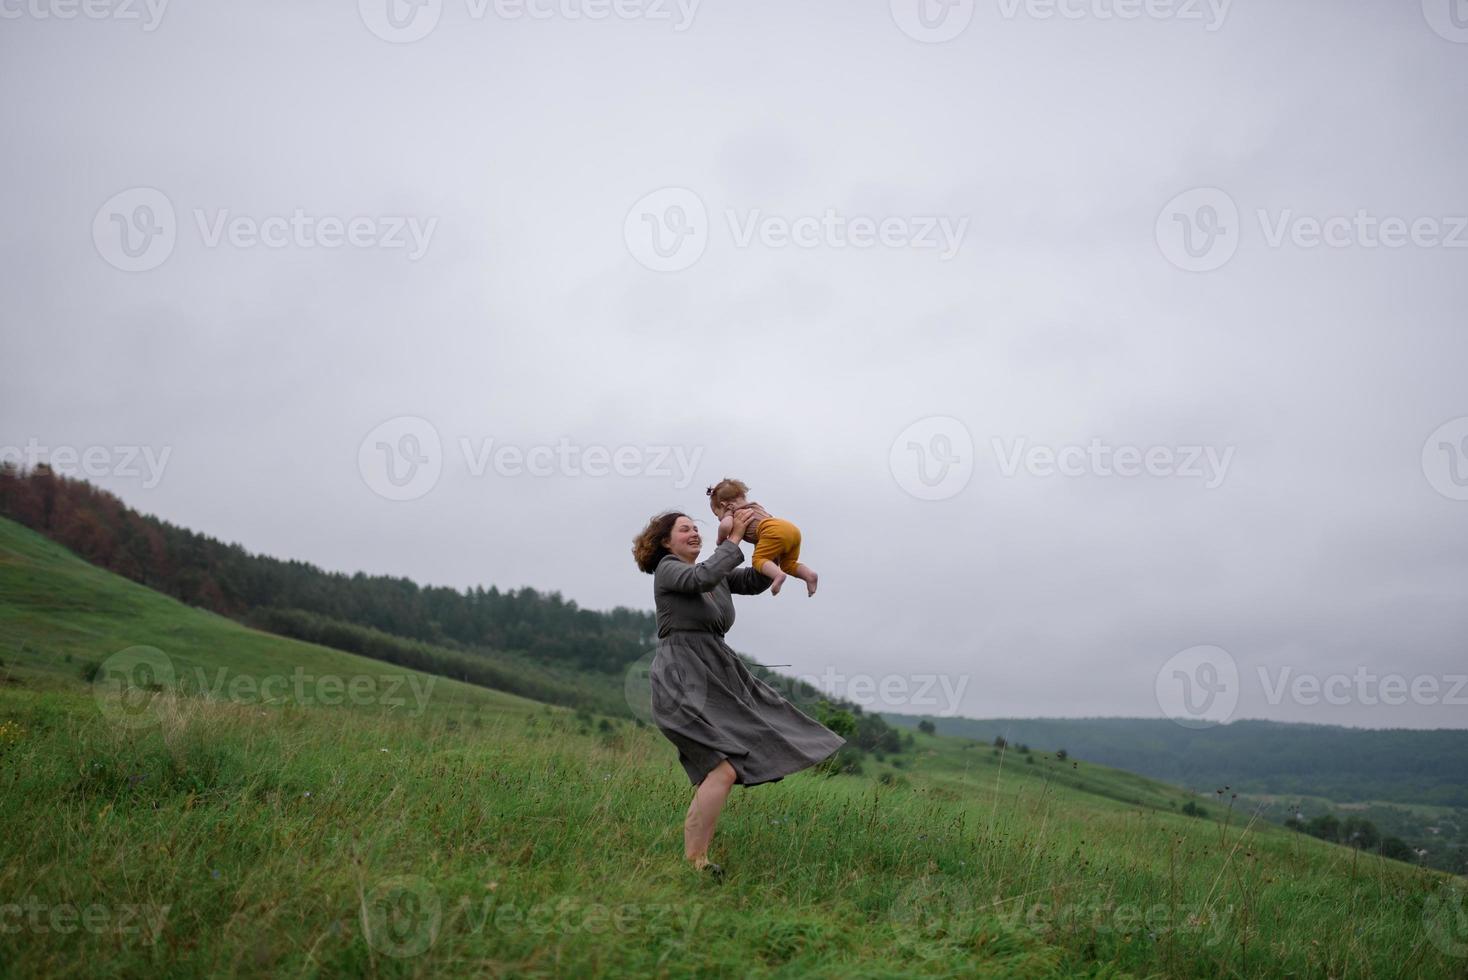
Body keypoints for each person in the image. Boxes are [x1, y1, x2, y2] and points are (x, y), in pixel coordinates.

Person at [631, 509, 846, 877]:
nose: (694, 534)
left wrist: (768, 541)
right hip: (682, 681)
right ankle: (696, 862)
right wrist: (730, 541)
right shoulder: (670, 569)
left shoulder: (716, 576)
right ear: (666, 541)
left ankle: (696, 861)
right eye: (685, 530)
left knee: (724, 768)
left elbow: (752, 580)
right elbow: (701, 575)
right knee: (722, 769)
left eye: (696, 528)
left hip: (717, 675)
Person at [706, 477, 818, 596]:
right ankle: (809, 575)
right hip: (791, 530)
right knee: (788, 564)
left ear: (725, 506)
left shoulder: (732, 512)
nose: (719, 519)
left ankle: (777, 575)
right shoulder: (755, 507)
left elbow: (725, 526)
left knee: (758, 560)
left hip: (772, 531)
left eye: (717, 514)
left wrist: (721, 539)